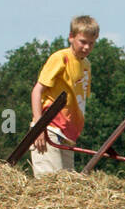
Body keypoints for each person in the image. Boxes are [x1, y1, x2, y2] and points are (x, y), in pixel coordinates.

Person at [29, 15, 99, 175]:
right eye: (83, 41)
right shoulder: (61, 58)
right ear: (71, 37)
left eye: (91, 43)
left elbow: (79, 102)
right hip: (49, 130)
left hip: (68, 134)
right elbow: (37, 91)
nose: (87, 47)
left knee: (68, 189)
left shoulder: (86, 65)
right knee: (51, 185)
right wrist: (39, 128)